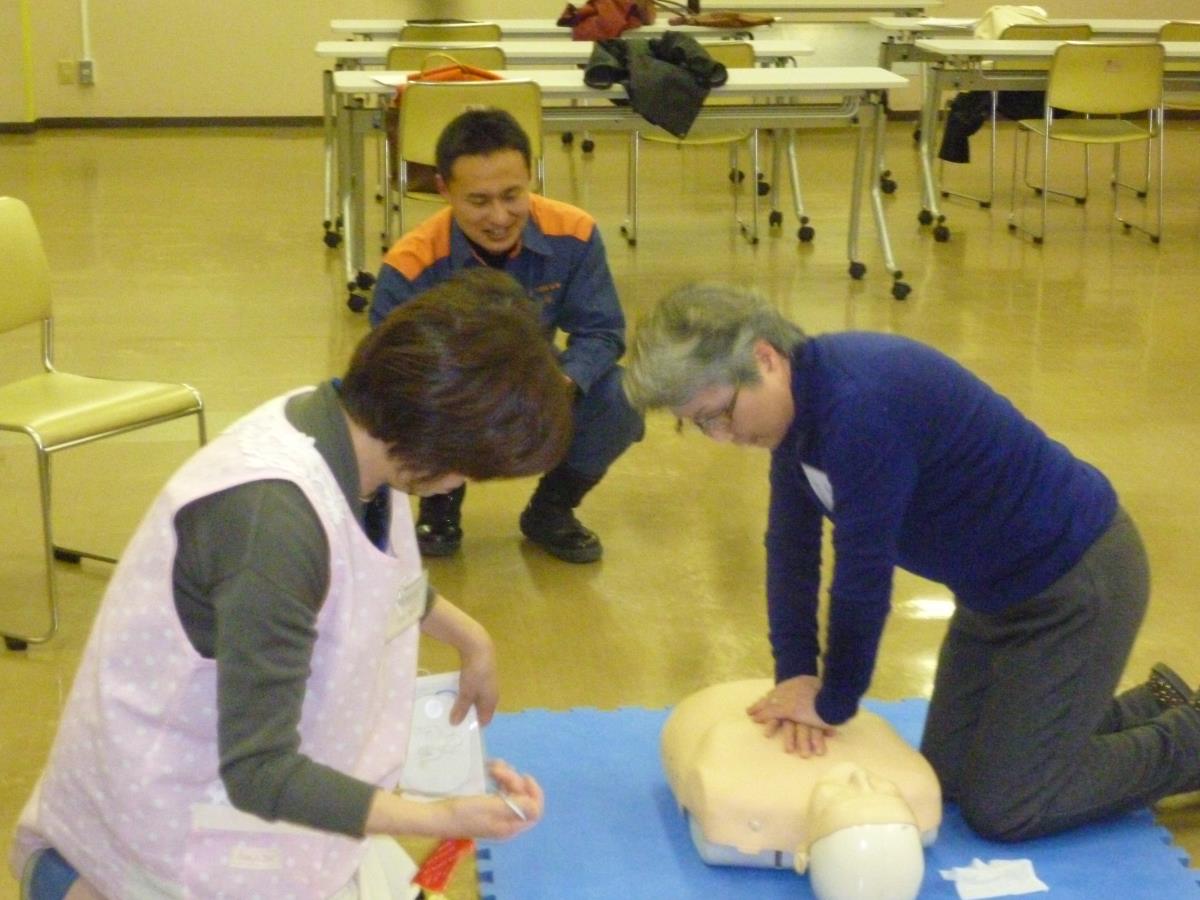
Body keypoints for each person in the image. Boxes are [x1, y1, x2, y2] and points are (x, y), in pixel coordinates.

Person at [11, 269, 574, 900]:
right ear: (436, 436)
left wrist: (470, 638)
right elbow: (260, 773)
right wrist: (439, 819)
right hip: (176, 823)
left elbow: (375, 574)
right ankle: (67, 881)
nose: (461, 486)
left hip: (259, 802)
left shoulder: (355, 434)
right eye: (472, 469)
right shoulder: (272, 526)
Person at [624, 282, 1200, 843]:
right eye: (701, 425)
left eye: (718, 413)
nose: (722, 436)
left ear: (765, 358)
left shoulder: (858, 407)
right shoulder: (797, 422)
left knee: (1008, 809)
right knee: (942, 781)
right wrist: (796, 670)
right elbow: (791, 550)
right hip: (992, 599)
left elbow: (863, 578)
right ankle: (1156, 705)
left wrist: (834, 701)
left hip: (1076, 586)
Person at [370, 108, 644, 564]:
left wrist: (564, 382)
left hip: (540, 381)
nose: (499, 217)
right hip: (449, 397)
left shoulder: (574, 232)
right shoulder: (410, 265)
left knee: (624, 397)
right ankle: (439, 502)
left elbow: (602, 332)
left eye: (513, 195)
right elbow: (384, 376)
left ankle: (551, 509)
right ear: (444, 190)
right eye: (478, 201)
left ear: (533, 176)